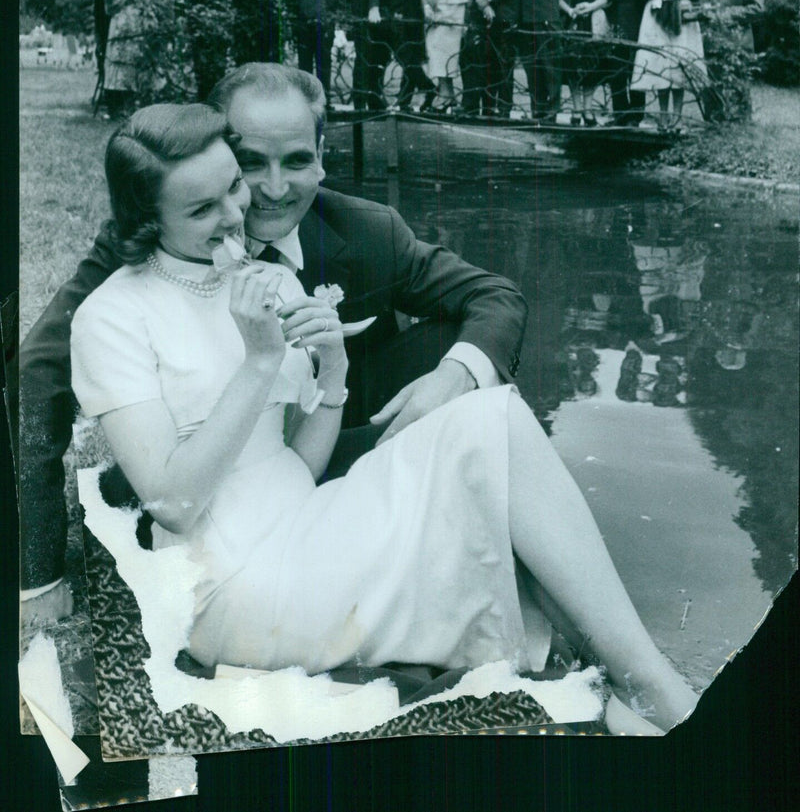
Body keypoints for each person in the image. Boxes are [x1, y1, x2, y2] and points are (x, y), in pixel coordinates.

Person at [68, 100, 699, 733]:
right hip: (229, 583)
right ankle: (643, 685)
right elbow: (173, 503)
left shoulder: (268, 284)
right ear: (147, 219)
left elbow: (293, 464)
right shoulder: (111, 317)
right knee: (483, 477)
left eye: (233, 186)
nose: (236, 214)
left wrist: (333, 370)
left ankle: (630, 674)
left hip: (305, 518)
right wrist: (259, 364)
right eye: (202, 209)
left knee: (489, 417)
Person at [19, 62, 526, 625]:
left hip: (332, 442)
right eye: (252, 163)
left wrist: (452, 378)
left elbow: (495, 297)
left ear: (321, 155)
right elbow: (37, 373)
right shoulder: (148, 239)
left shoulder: (367, 228)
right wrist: (37, 574)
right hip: (204, 493)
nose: (273, 190)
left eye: (297, 161)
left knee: (485, 389)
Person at [631, 0, 706, 131]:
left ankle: (677, 117)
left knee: (679, 61)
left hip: (681, 14)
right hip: (655, 15)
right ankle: (663, 117)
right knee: (660, 61)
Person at [557, 0, 619, 126]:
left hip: (595, 21)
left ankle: (588, 109)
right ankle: (576, 109)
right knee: (573, 64)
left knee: (593, 65)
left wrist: (591, 6)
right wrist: (570, 10)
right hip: (571, 20)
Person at [100, 0, 152, 119]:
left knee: (138, 60)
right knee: (119, 61)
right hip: (122, 20)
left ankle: (137, 104)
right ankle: (117, 107)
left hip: (140, 18)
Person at [606, 0, 647, 126]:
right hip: (615, 22)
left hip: (642, 23)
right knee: (616, 69)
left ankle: (637, 115)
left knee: (639, 69)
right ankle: (620, 114)